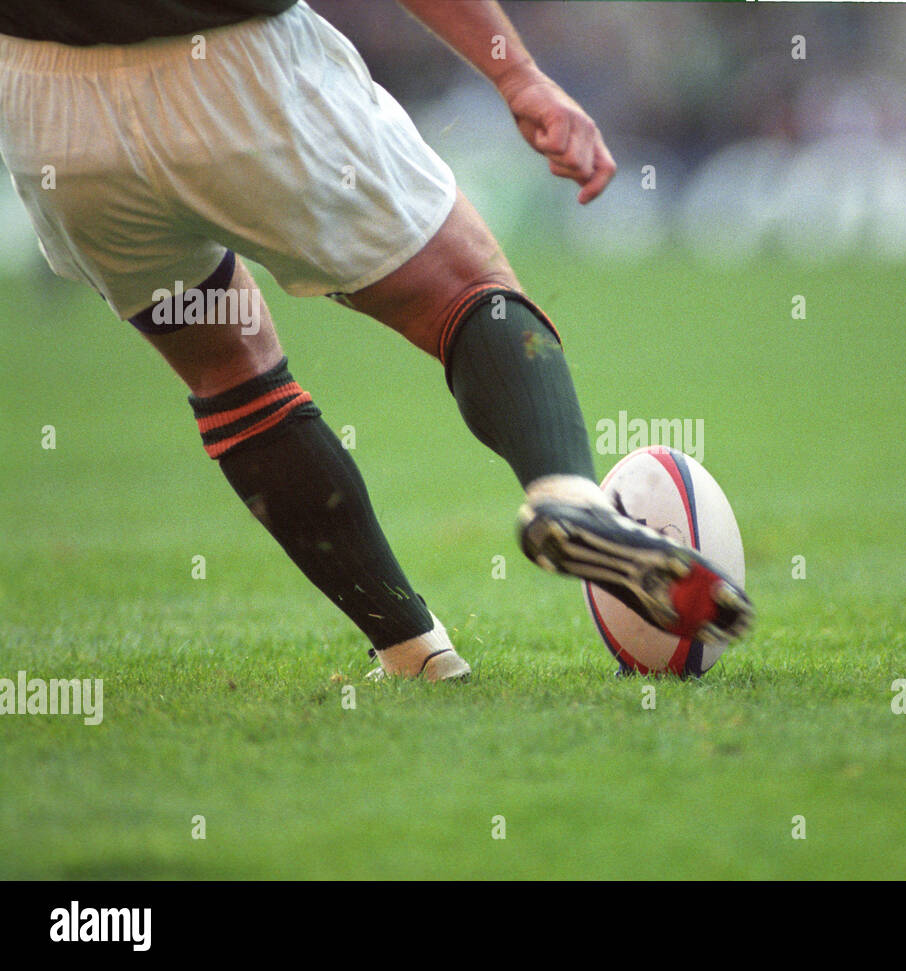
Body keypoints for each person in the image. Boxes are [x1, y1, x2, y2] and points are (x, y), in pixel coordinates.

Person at [0, 0, 752, 681]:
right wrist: (517, 75)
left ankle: (413, 651)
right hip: (233, 68)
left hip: (47, 108)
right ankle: (567, 497)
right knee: (466, 292)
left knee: (228, 372)